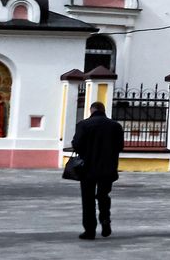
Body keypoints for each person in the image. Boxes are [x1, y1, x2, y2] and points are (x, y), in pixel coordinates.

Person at [70, 101, 123, 240]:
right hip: (108, 168)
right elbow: (120, 146)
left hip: (87, 169)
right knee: (103, 196)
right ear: (104, 110)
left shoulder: (83, 125)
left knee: (88, 199)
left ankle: (89, 230)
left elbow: (76, 145)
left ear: (91, 110)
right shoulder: (115, 126)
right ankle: (105, 220)